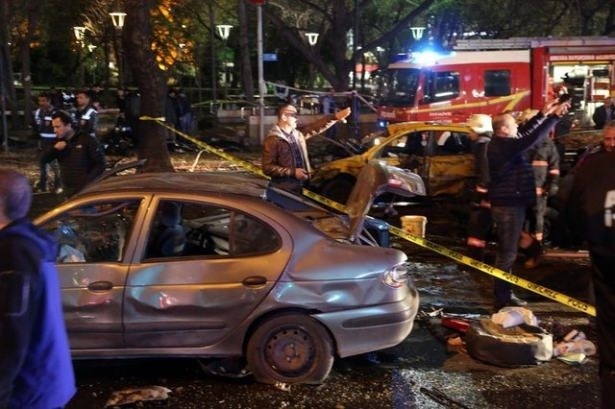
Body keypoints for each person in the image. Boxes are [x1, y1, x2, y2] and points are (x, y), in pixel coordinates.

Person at [0, 168, 76, 408]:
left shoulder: (13, 254)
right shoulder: (31, 244)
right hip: (45, 383)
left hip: (27, 392)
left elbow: (10, 333)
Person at [487, 100, 569, 310]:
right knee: (507, 254)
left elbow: (524, 133)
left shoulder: (503, 143)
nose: (517, 127)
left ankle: (505, 293)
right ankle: (502, 299)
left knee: (510, 250)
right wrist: (555, 118)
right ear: (504, 129)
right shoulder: (502, 146)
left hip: (513, 204)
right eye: (513, 125)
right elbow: (530, 138)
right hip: (508, 206)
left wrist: (542, 114)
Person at [565, 120, 615, 409]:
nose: (610, 143)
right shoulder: (592, 167)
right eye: (607, 138)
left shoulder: (594, 171)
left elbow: (571, 216)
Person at [262, 103, 351, 194]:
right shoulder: (273, 140)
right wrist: (293, 172)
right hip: (285, 189)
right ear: (284, 117)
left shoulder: (297, 134)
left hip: (302, 185)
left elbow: (315, 127)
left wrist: (334, 117)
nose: (297, 118)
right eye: (294, 115)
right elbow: (267, 168)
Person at [521, 123, 561, 269]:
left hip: (539, 193)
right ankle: (528, 251)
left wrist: (550, 186)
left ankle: (536, 253)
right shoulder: (522, 143)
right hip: (522, 192)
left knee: (537, 224)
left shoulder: (547, 145)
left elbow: (554, 169)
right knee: (522, 224)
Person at [41, 110, 106, 197]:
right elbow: (44, 159)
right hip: (67, 190)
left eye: (58, 127)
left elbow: (100, 164)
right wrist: (54, 149)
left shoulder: (86, 140)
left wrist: (87, 183)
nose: (55, 130)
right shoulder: (57, 142)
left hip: (86, 190)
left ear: (68, 125)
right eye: (53, 127)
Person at [465, 114, 493, 262]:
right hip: (491, 194)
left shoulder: (483, 146)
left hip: (487, 196)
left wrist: (479, 197)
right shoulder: (485, 145)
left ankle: (475, 260)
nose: (469, 134)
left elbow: (485, 175)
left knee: (477, 226)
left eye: (471, 130)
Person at [32, 92, 61, 193]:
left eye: (43, 101)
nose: (41, 103)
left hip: (53, 142)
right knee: (42, 163)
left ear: (49, 101)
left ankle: (58, 184)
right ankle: (43, 185)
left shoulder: (55, 112)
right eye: (39, 101)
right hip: (42, 142)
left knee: (55, 165)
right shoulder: (38, 112)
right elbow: (36, 126)